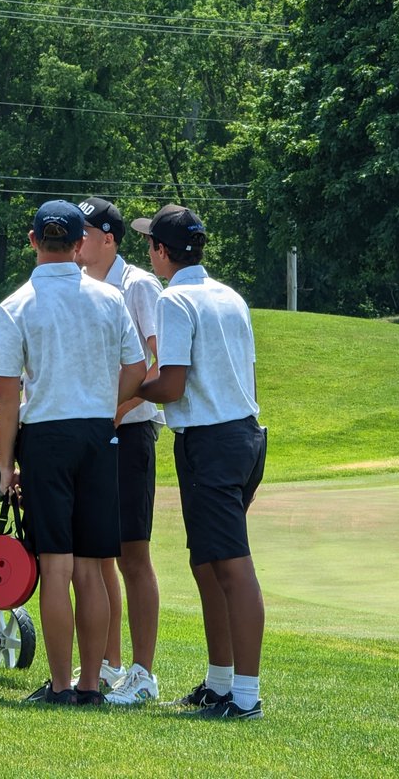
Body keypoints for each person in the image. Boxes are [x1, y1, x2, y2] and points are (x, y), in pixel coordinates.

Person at [0, 200, 147, 706]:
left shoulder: (15, 305)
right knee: (92, 564)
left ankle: (59, 686)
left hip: (47, 437)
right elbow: (137, 369)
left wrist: (8, 462)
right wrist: (107, 402)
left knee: (56, 565)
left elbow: (8, 397)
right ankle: (91, 684)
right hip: (100, 435)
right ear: (80, 244)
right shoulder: (109, 298)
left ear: (33, 240)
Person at [133, 204, 266, 720]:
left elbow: (171, 384)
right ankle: (220, 683)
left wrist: (122, 392)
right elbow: (249, 379)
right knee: (207, 563)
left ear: (163, 252)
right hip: (242, 436)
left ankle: (247, 698)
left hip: (211, 442)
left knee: (231, 567)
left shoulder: (174, 300)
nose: (148, 252)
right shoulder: (231, 297)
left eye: (151, 245)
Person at [74, 196, 164, 704]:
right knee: (99, 552)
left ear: (108, 238)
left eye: (85, 232)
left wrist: (118, 410)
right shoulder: (85, 287)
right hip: (96, 431)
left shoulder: (138, 285)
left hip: (129, 433)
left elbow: (157, 364)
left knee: (133, 555)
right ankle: (109, 667)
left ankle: (142, 671)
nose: (77, 238)